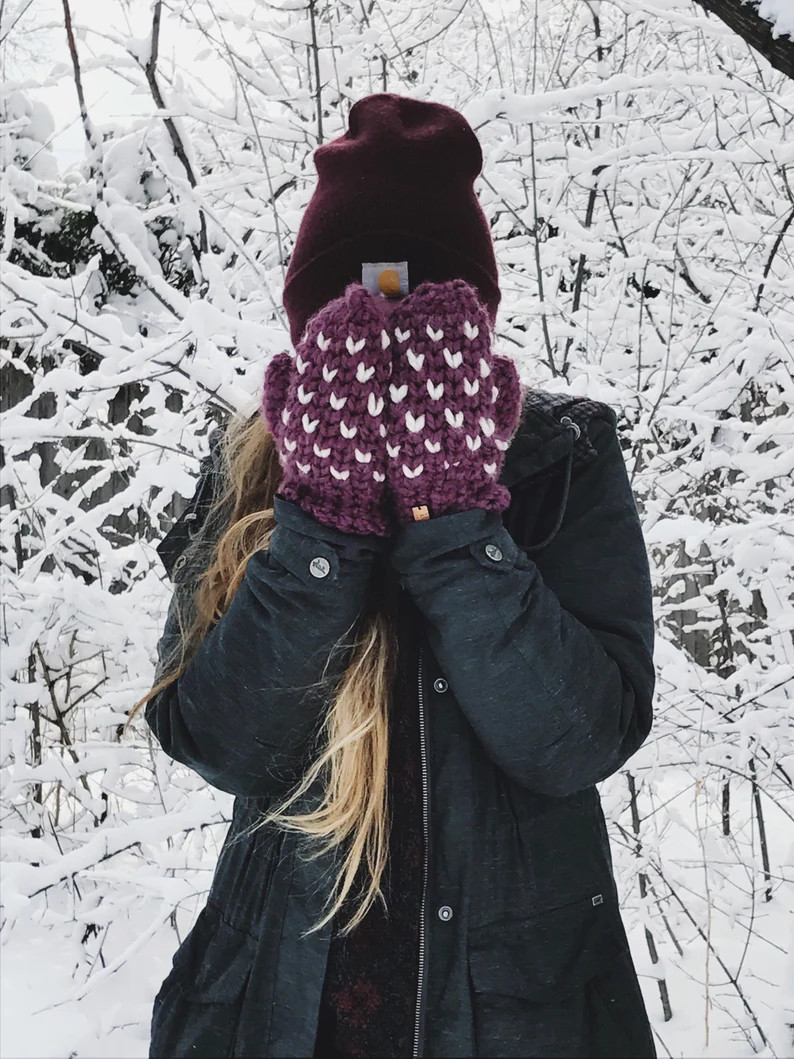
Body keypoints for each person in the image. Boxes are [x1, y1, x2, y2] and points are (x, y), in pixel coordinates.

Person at [130, 92, 658, 1059]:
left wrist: (453, 515)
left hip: (516, 1010)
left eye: (418, 304)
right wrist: (319, 523)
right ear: (307, 326)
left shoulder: (562, 458)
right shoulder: (252, 467)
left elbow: (580, 739)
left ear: (475, 324)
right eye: (355, 306)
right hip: (280, 1006)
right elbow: (217, 740)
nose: (387, 337)